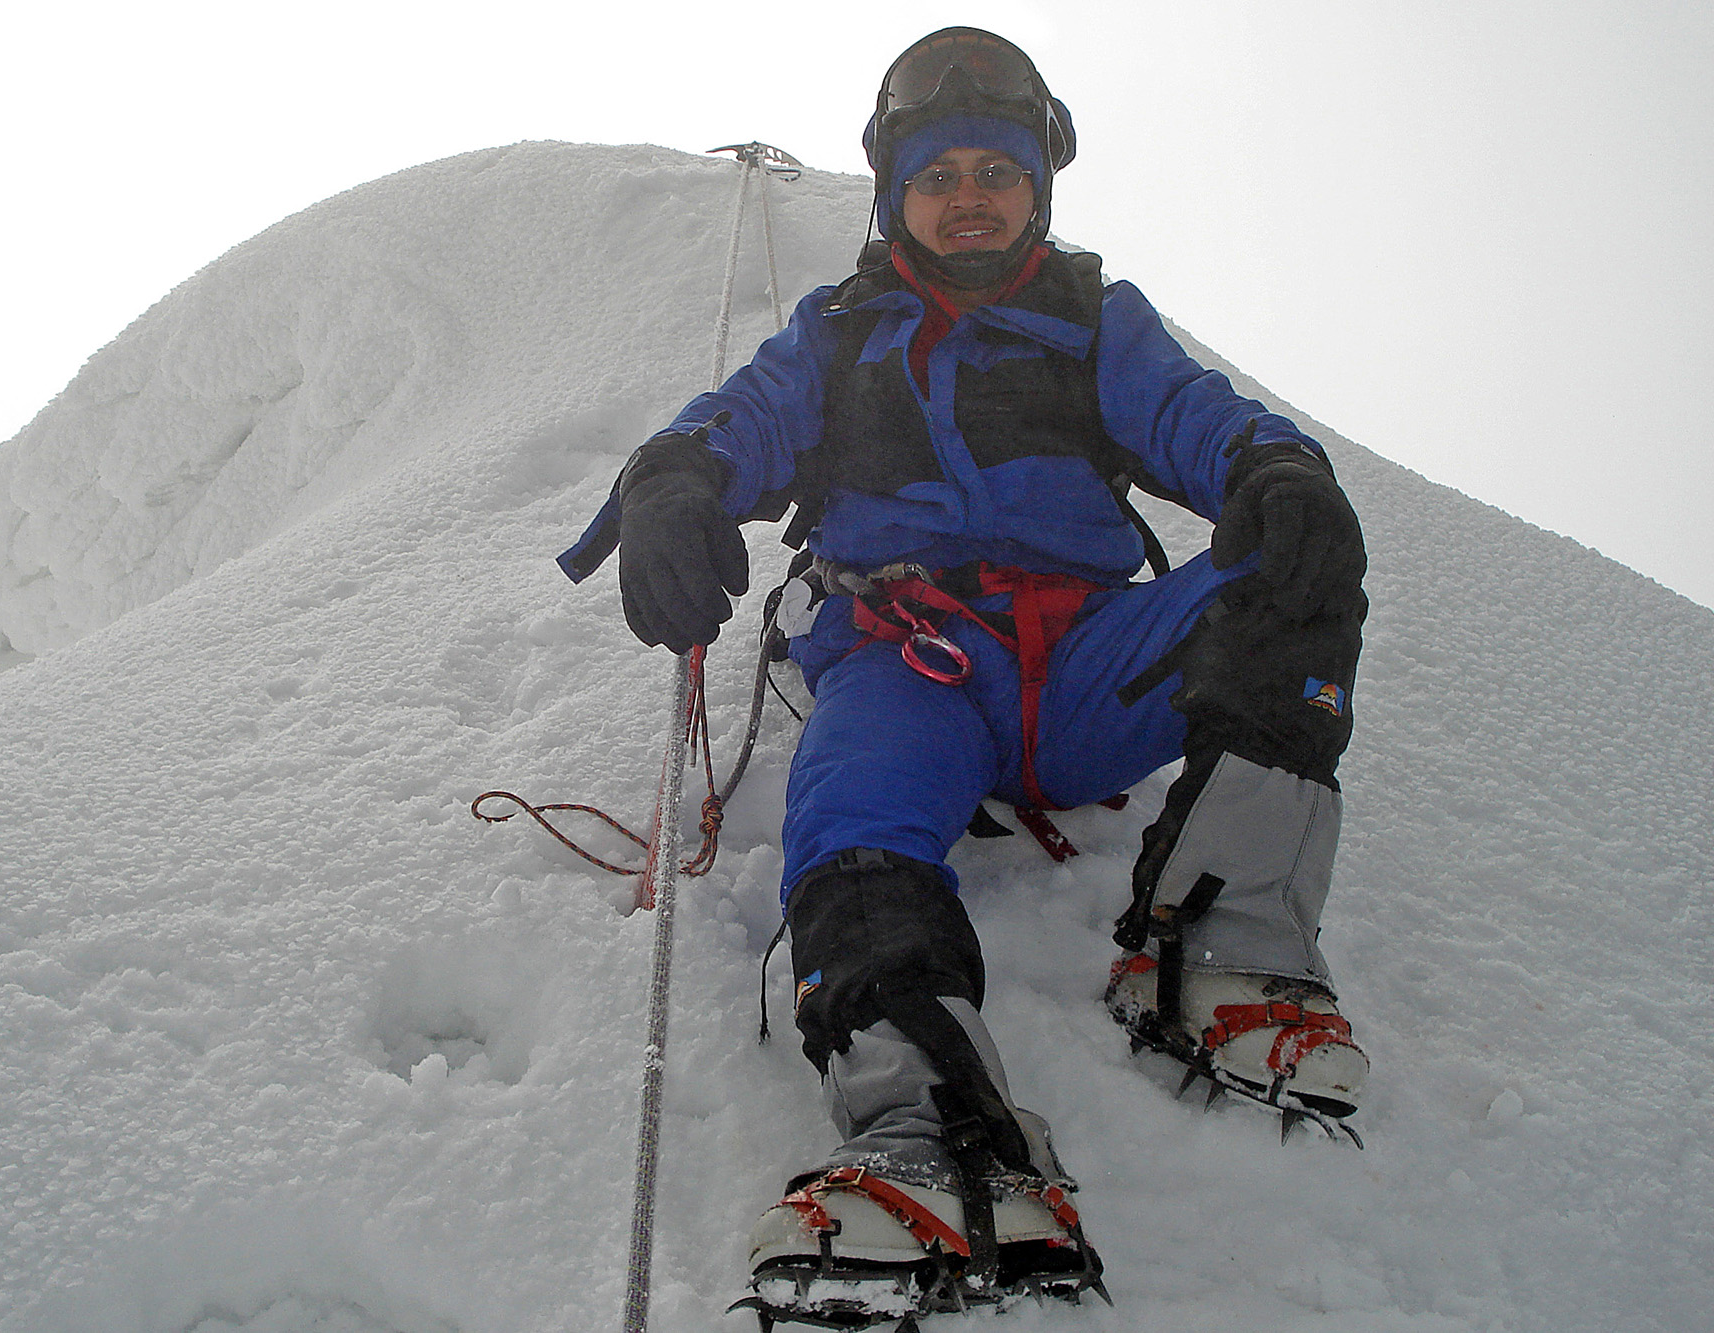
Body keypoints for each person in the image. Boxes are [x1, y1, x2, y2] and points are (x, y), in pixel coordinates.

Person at [560, 26, 1370, 1326]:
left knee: (1293, 570)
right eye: (941, 176)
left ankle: (1215, 954)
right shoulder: (837, 337)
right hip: (908, 660)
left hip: (1091, 665)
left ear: (1038, 191)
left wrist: (1275, 475)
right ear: (896, 198)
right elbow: (731, 430)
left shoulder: (1097, 324)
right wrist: (672, 482)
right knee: (859, 813)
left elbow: (1202, 424)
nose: (971, 193)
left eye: (998, 168)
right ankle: (929, 1132)